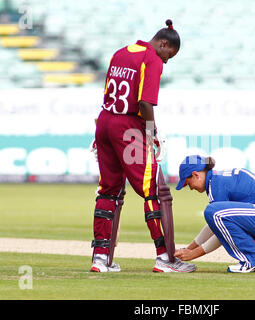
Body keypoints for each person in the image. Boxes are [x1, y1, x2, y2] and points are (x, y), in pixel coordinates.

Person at [90, 20, 196, 273]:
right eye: (169, 55)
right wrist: (152, 135)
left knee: (109, 191)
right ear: (163, 43)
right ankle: (165, 259)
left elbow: (107, 94)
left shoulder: (121, 52)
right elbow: (145, 104)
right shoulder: (152, 60)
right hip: (127, 128)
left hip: (105, 121)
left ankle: (100, 259)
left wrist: (103, 132)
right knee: (155, 191)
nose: (167, 62)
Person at [174, 155, 255, 273]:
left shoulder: (216, 185)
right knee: (218, 215)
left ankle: (254, 259)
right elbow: (216, 226)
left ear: (196, 175)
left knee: (212, 212)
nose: (190, 188)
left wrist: (193, 254)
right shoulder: (218, 178)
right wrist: (188, 249)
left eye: (187, 183)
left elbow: (220, 229)